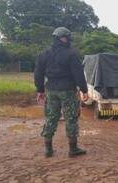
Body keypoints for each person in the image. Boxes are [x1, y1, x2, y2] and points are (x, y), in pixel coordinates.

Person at [34, 27, 89, 158]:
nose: (69, 40)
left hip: (51, 90)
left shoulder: (43, 54)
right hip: (68, 90)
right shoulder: (71, 53)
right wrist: (84, 90)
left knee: (51, 118)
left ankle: (48, 149)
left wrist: (40, 90)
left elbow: (38, 74)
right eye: (68, 38)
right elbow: (78, 73)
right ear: (64, 38)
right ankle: (73, 149)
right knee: (71, 118)